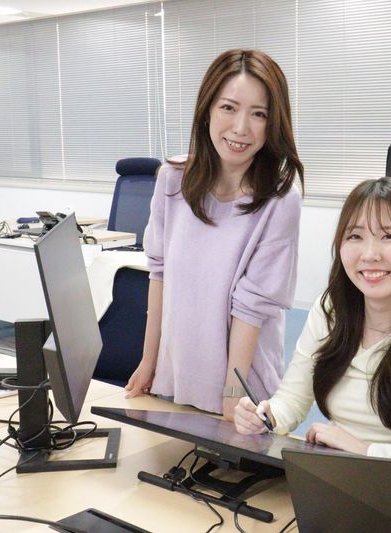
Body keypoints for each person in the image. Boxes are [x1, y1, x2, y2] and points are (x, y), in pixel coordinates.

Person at [234, 178, 391, 466]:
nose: (370, 254)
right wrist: (266, 415)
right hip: (336, 476)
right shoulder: (330, 312)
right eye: (355, 236)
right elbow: (292, 400)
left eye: (389, 236)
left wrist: (365, 450)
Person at [125, 49, 304, 421]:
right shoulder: (172, 179)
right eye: (228, 108)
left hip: (241, 388)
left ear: (273, 123)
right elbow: (159, 274)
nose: (241, 128)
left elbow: (251, 307)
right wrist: (149, 362)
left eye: (259, 114)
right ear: (207, 109)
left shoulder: (280, 198)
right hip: (175, 378)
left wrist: (232, 395)